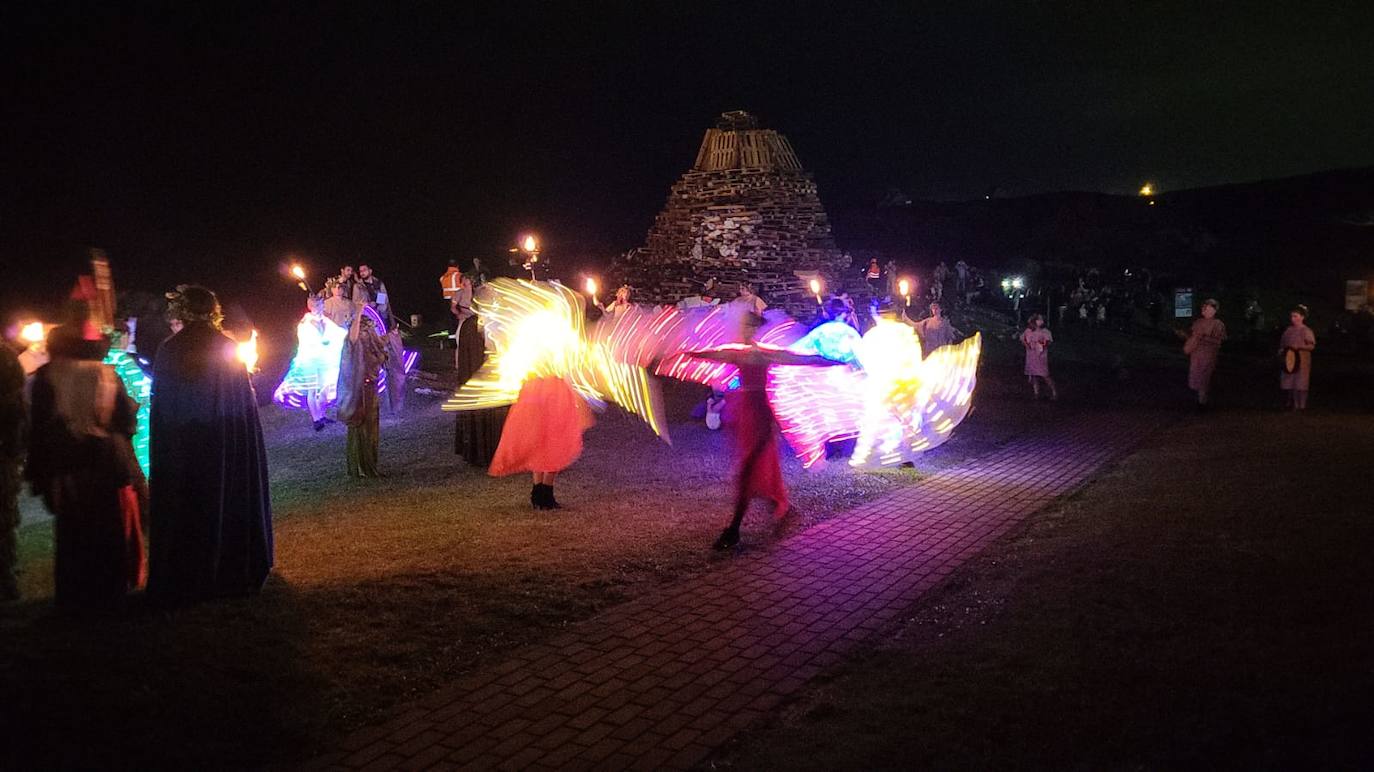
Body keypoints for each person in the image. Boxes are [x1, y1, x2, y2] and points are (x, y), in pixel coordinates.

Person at [147, 286, 273, 604]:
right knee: (224, 497)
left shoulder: (169, 350)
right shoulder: (226, 347)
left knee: (187, 504)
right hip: (224, 443)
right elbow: (243, 408)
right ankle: (228, 569)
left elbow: (164, 408)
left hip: (182, 447)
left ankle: (186, 573)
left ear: (184, 312)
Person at [27, 301, 146, 609]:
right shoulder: (105, 374)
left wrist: (40, 473)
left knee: (74, 532)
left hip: (67, 467)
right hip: (105, 464)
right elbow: (125, 421)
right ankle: (109, 592)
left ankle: (76, 594)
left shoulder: (46, 377)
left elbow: (38, 427)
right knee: (107, 529)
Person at [692, 312, 844, 550]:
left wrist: (828, 360)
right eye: (744, 327)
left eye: (749, 327)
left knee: (749, 470)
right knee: (755, 469)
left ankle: (734, 529)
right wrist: (682, 355)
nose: (745, 331)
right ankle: (777, 509)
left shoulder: (762, 354)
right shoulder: (741, 354)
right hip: (746, 416)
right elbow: (713, 354)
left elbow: (796, 359)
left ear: (755, 329)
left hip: (760, 416)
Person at [488, 373, 595, 510]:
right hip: (554, 392)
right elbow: (562, 366)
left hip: (534, 390)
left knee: (540, 440)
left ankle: (538, 492)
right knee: (555, 440)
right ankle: (546, 493)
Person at [337, 293, 389, 477]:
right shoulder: (352, 340)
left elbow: (380, 346)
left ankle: (369, 465)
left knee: (371, 428)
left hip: (371, 387)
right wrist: (358, 312)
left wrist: (391, 337)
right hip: (358, 391)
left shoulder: (370, 338)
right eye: (367, 329)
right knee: (361, 428)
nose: (370, 332)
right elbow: (353, 338)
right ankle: (361, 468)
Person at [280, 295, 348, 430]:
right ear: (310, 307)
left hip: (323, 360)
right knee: (312, 389)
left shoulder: (326, 321)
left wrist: (347, 327)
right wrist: (320, 343)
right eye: (316, 306)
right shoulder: (304, 324)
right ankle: (316, 419)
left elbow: (339, 332)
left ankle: (322, 415)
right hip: (310, 359)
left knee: (324, 389)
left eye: (321, 305)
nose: (319, 308)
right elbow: (305, 341)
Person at [355, 264, 406, 412]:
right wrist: (369, 306)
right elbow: (360, 305)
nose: (362, 272)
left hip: (385, 324)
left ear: (370, 271)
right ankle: (374, 405)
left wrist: (376, 305)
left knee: (394, 363)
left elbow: (383, 303)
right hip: (371, 328)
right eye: (361, 271)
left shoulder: (378, 284)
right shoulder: (359, 287)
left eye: (365, 270)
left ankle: (396, 404)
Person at [1, 336, 25, 602]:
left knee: (4, 517)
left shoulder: (5, 356)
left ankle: (6, 579)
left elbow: (16, 407)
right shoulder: (6, 355)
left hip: (3, 451)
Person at [1184, 298, 1226, 407]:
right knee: (1196, 376)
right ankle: (1199, 400)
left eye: (1207, 308)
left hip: (1208, 354)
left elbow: (1218, 341)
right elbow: (1193, 336)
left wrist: (1202, 338)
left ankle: (1203, 401)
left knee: (1205, 377)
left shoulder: (1218, 324)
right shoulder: (1198, 322)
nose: (1204, 310)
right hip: (1196, 354)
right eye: (1204, 308)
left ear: (1214, 310)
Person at [1279, 305, 1316, 410]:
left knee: (1301, 382)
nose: (1293, 319)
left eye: (1295, 316)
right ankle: (1294, 404)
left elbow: (1311, 346)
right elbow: (1283, 344)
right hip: (1290, 359)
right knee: (1291, 382)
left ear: (1302, 317)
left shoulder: (1306, 330)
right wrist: (1282, 351)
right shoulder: (1289, 330)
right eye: (1292, 316)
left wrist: (1300, 347)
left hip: (1302, 359)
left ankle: (1302, 405)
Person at [1021, 313, 1058, 400]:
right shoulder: (1028, 331)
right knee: (1033, 374)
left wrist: (1042, 345)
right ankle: (1036, 393)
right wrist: (1027, 345)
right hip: (1031, 355)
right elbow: (1023, 339)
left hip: (1040, 356)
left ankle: (1054, 392)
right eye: (1039, 319)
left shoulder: (1045, 331)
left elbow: (1048, 341)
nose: (1041, 321)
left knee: (1044, 374)